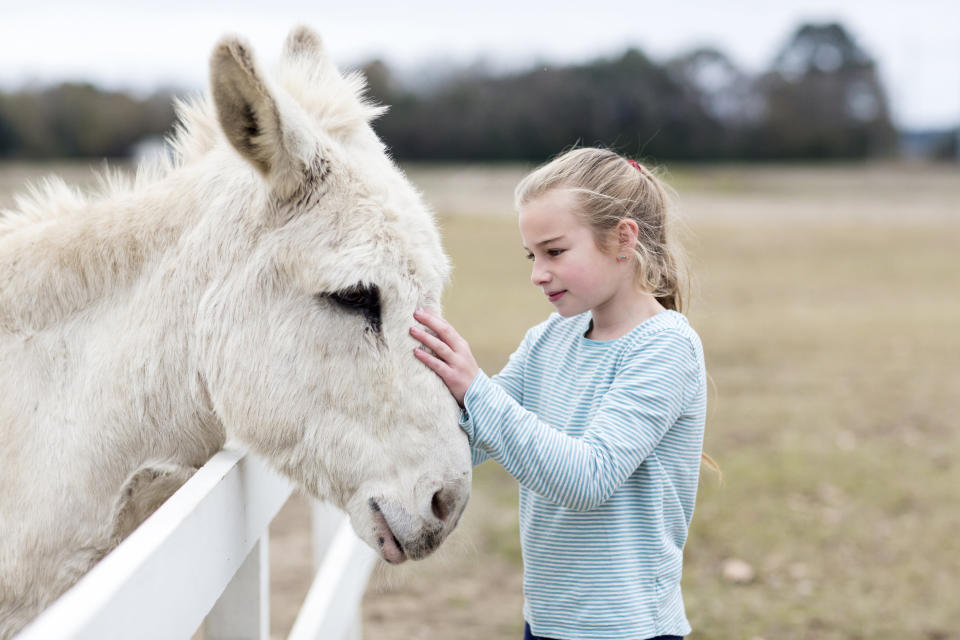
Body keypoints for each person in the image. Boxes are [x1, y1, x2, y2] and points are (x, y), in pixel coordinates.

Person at [410, 147, 708, 640]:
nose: (538, 273)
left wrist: (476, 389)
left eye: (555, 251)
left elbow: (586, 479)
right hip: (547, 623)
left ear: (622, 239)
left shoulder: (666, 347)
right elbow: (476, 438)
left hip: (628, 630)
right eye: (532, 255)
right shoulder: (551, 338)